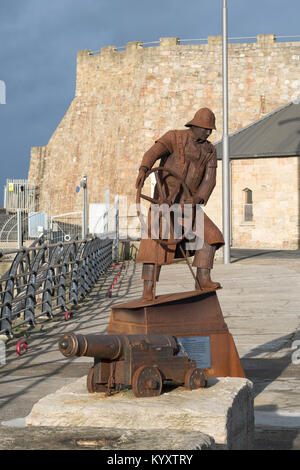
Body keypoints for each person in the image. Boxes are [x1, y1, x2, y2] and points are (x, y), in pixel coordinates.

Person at [135, 108, 225, 301]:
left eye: (211, 130)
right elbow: (153, 152)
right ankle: (148, 289)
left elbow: (210, 180)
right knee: (154, 246)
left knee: (211, 236)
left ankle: (203, 279)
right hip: (164, 204)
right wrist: (144, 168)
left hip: (188, 206)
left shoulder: (209, 150)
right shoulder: (174, 138)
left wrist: (198, 198)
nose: (208, 133)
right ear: (195, 126)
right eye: (205, 129)